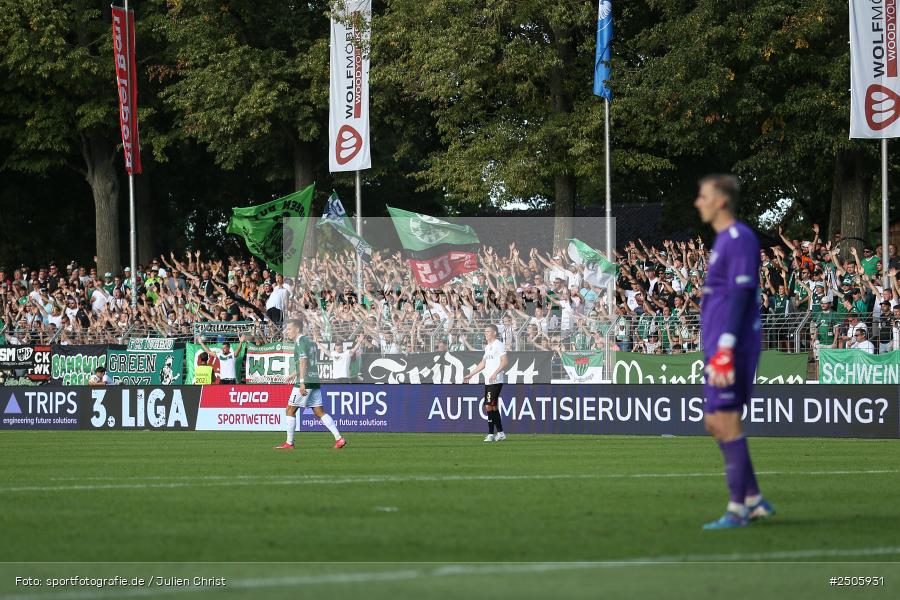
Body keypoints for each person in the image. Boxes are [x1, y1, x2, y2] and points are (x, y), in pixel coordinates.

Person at [694, 174, 775, 529]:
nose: (699, 202)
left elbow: (742, 296)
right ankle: (754, 499)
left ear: (721, 200)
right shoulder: (722, 242)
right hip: (718, 347)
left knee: (725, 419)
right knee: (715, 420)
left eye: (704, 196)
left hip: (733, 346)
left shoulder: (739, 238)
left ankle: (737, 508)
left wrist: (725, 347)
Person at [275, 318, 346, 450]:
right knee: (319, 412)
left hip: (306, 382)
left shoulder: (300, 341)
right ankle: (339, 438)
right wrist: (294, 374)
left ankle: (289, 443)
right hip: (314, 380)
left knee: (290, 410)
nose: (287, 332)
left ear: (297, 329)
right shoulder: (309, 341)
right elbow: (308, 363)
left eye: (289, 329)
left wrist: (301, 382)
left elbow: (303, 361)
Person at [462, 324, 509, 442]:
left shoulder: (499, 345)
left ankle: (490, 434)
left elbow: (505, 361)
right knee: (492, 406)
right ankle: (501, 432)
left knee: (488, 405)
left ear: (494, 333)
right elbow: (483, 363)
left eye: (488, 331)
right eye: (485, 331)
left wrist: (496, 373)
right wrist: (471, 374)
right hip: (489, 381)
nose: (486, 333)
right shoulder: (488, 347)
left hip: (495, 380)